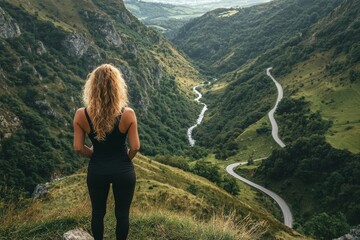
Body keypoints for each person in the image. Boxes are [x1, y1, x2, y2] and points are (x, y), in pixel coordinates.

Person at [73, 64, 140, 240]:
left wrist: (93, 155)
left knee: (97, 213)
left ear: (92, 87)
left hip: (97, 170)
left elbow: (79, 147)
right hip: (123, 170)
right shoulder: (128, 114)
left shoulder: (81, 114)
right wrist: (126, 158)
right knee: (122, 215)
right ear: (117, 86)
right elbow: (135, 147)